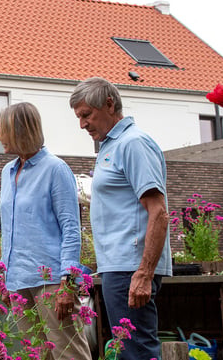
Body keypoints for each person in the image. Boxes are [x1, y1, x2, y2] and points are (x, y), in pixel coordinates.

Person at [69, 77, 171, 360]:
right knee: (127, 350)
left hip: (131, 267)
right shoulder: (109, 146)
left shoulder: (133, 143)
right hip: (118, 266)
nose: (82, 124)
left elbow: (159, 213)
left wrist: (144, 274)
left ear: (109, 104)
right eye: (78, 117)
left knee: (136, 351)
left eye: (86, 115)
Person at [0, 102, 91, 360]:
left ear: (18, 130)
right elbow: (10, 231)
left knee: (69, 354)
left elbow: (72, 230)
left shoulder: (56, 169)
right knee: (33, 355)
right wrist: (4, 278)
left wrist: (68, 285)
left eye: (1, 130)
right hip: (17, 281)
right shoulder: (7, 172)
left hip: (52, 282)